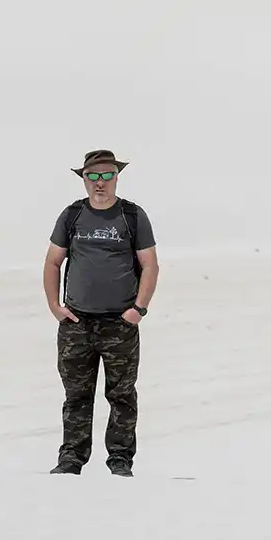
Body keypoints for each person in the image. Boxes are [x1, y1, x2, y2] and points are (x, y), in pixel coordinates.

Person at [43, 149, 159, 476]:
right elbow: (53, 262)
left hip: (120, 324)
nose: (99, 183)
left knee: (121, 396)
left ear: (116, 177)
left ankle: (120, 461)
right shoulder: (72, 216)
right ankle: (71, 460)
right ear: (83, 179)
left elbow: (149, 265)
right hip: (77, 323)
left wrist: (138, 309)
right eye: (92, 176)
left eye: (106, 175)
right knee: (76, 396)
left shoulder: (132, 217)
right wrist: (55, 306)